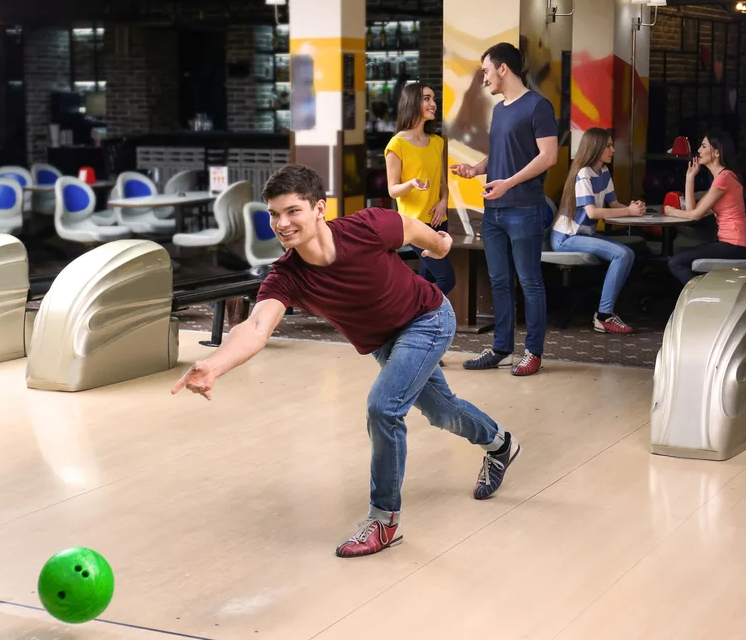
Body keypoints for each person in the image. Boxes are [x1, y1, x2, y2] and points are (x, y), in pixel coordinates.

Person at [172, 165, 520, 559]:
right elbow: (255, 326)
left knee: (383, 408)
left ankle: (384, 521)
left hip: (428, 319)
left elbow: (410, 227)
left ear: (319, 208)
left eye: (292, 211)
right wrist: (215, 365)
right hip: (384, 342)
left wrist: (439, 247)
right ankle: (501, 444)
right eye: (273, 214)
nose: (281, 224)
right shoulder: (287, 276)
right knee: (441, 412)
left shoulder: (366, 227)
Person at [450, 42, 558, 376]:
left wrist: (508, 183)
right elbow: (500, 155)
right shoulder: (499, 110)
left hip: (524, 208)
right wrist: (476, 169)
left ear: (503, 69)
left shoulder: (539, 107)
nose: (484, 80)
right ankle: (501, 348)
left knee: (530, 282)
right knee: (498, 281)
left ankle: (534, 352)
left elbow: (548, 157)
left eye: (486, 71)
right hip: (494, 210)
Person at [551, 127, 645, 334]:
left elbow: (613, 205)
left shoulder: (603, 172)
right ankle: (603, 316)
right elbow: (592, 213)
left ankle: (605, 312)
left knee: (628, 253)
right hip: (567, 237)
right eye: (608, 146)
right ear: (596, 148)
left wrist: (633, 209)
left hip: (584, 235)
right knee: (621, 254)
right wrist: (628, 211)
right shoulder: (583, 174)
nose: (612, 150)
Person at [384, 82, 455, 296]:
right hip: (413, 225)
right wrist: (411, 183)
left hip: (437, 222)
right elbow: (392, 190)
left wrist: (443, 202)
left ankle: (413, 323)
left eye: (433, 99)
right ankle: (415, 316)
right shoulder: (397, 144)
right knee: (446, 278)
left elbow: (442, 182)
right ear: (412, 102)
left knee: (428, 281)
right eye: (426, 98)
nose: (433, 104)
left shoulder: (436, 142)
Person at [664, 130, 746, 284]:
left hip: (736, 245)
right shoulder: (723, 177)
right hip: (733, 244)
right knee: (681, 259)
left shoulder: (724, 178)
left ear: (717, 153)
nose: (698, 150)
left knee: (676, 262)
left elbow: (695, 215)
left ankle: (699, 299)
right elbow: (692, 211)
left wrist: (670, 210)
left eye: (703, 146)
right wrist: (690, 177)